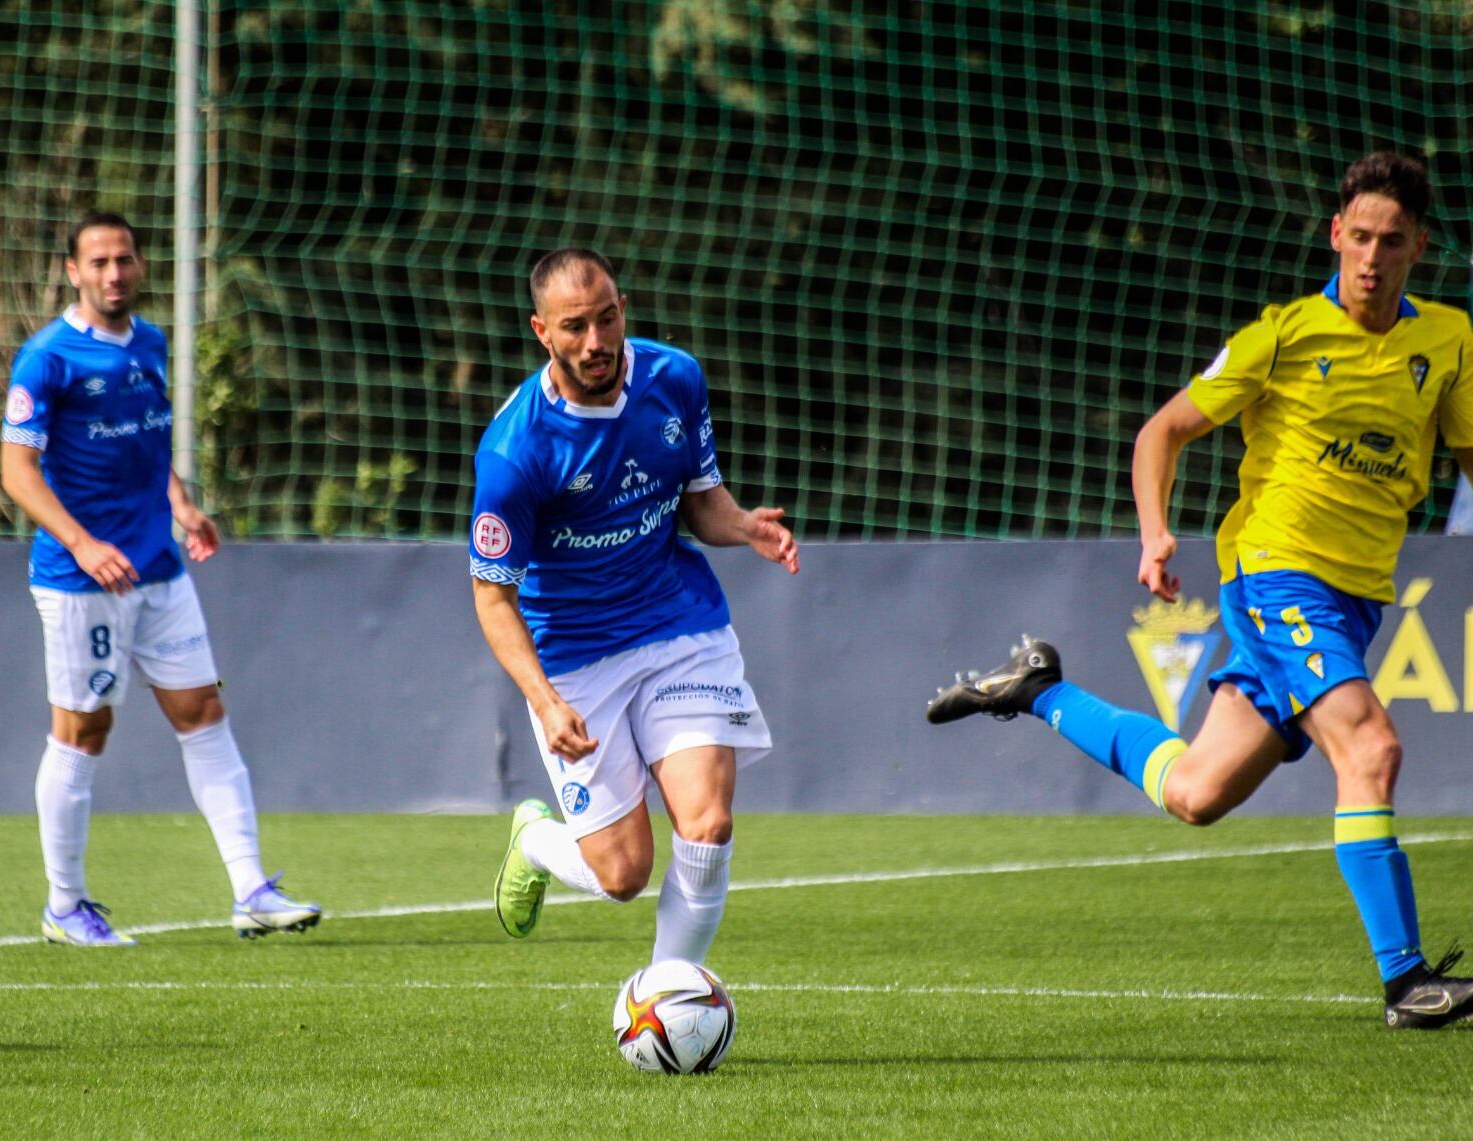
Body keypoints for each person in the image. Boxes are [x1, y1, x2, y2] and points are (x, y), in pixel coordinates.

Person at [926, 153, 1473, 1028]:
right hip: (1276, 575)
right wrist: (1154, 531)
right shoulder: (1283, 335)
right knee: (1370, 749)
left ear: (1421, 247)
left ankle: (1041, 687)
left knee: (1196, 793)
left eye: (1392, 241)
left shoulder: (1447, 342)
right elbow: (1163, 430)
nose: (1371, 257)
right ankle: (1407, 982)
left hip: (1356, 599)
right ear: (1336, 234)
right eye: (1359, 236)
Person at [0, 212, 320, 946]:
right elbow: (16, 470)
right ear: (73, 271)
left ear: (141, 265)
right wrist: (81, 544)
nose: (114, 273)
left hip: (159, 565)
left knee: (202, 712)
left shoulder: (150, 341)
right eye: (99, 262)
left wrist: (179, 504)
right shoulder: (45, 358)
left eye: (125, 259)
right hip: (83, 579)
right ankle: (64, 905)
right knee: (84, 731)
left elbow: (144, 448)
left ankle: (251, 889)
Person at [471, 248, 799, 966]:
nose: (597, 342)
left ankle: (669, 995)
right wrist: (545, 701)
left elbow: (700, 504)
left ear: (624, 307)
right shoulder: (514, 453)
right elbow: (493, 596)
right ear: (542, 332)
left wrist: (742, 525)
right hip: (576, 660)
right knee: (622, 873)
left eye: (608, 317)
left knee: (707, 824)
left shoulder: (673, 378)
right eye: (575, 327)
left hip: (677, 622)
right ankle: (533, 838)